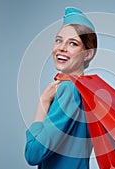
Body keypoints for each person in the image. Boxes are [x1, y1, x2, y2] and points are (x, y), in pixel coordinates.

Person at [25, 7, 97, 169]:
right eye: (59, 40)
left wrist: (43, 101)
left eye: (73, 43)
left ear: (87, 54)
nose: (62, 47)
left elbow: (33, 154)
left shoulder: (69, 90)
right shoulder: (86, 88)